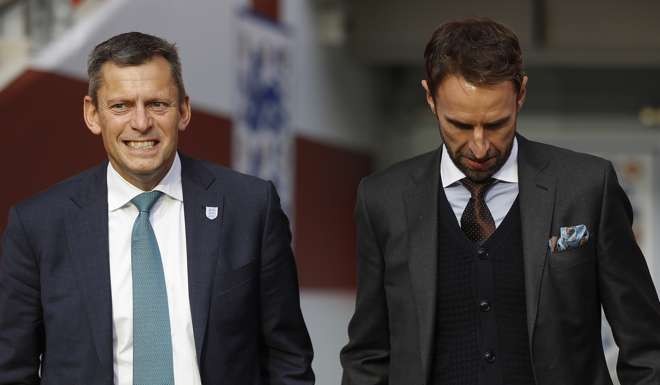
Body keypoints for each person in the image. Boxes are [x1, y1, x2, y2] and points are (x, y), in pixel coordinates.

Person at [340, 18, 660, 385]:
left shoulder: (586, 186)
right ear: (430, 98)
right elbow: (368, 354)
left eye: (496, 124)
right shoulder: (383, 200)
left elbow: (646, 345)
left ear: (520, 94)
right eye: (459, 125)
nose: (479, 146)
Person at [0, 32, 314, 384]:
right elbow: (12, 368)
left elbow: (288, 357)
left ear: (183, 110)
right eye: (120, 106)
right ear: (92, 114)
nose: (141, 123)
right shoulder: (38, 225)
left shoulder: (251, 208)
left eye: (157, 104)